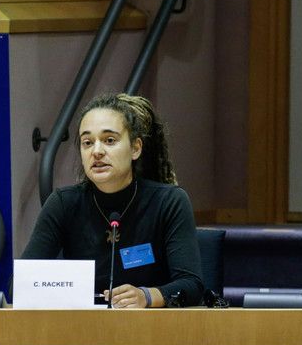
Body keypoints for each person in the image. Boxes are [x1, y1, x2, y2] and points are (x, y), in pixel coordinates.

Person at [22, 93, 204, 308]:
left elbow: (192, 286)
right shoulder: (63, 204)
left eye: (109, 140)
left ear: (135, 148)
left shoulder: (168, 201)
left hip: (149, 324)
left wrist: (146, 296)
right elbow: (20, 284)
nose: (97, 151)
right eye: (87, 142)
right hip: (82, 324)